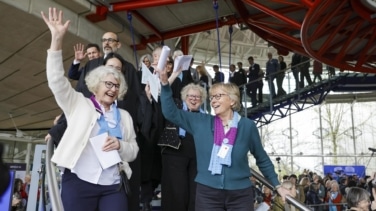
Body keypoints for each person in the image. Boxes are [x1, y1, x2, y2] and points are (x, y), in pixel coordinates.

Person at [41, 8, 139, 211]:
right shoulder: (79, 104)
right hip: (79, 182)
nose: (112, 89)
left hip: (113, 185)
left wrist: (120, 146)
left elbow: (133, 151)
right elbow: (57, 80)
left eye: (116, 85)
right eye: (108, 84)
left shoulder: (125, 117)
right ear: (95, 84)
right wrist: (56, 40)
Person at [158, 65, 289, 210]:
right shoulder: (200, 122)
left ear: (232, 101)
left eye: (218, 96)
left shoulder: (247, 126)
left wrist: (277, 185)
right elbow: (170, 112)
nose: (213, 101)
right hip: (207, 193)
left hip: (240, 194)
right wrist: (164, 84)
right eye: (212, 97)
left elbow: (261, 158)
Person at [159, 83, 206, 211]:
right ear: (185, 97)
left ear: (202, 100)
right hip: (175, 150)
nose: (194, 99)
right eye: (191, 96)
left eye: (197, 97)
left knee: (195, 189)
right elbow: (163, 98)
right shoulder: (176, 107)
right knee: (177, 190)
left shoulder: (205, 116)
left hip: (196, 154)